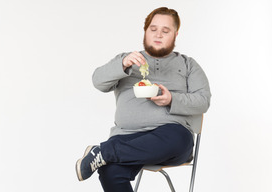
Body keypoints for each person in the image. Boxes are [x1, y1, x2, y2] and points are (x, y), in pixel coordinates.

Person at [75, 7, 211, 192]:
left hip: (171, 139)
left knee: (176, 138)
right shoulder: (127, 61)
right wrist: (122, 65)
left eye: (165, 31)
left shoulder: (188, 65)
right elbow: (98, 82)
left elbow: (203, 101)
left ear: (176, 34)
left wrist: (172, 99)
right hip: (127, 137)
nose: (158, 35)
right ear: (145, 30)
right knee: (110, 171)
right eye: (153, 29)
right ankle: (106, 154)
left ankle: (103, 152)